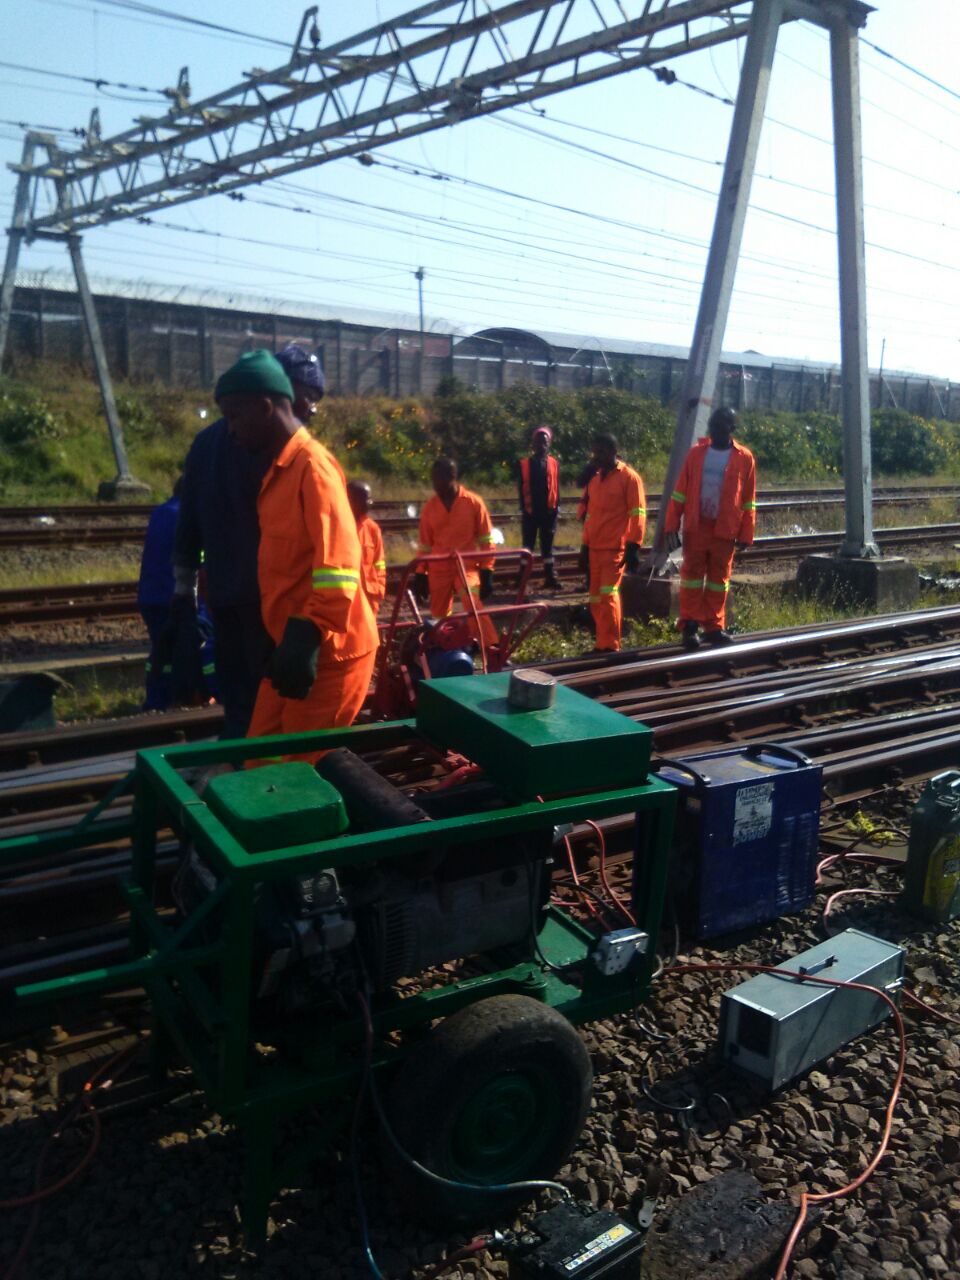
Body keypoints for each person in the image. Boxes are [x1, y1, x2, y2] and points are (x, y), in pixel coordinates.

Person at [212, 349, 377, 760]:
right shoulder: (278, 472)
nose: (231, 430)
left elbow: (339, 565)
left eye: (234, 416)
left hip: (329, 655)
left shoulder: (312, 468)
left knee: (296, 784)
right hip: (291, 648)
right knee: (259, 765)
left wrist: (307, 634)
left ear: (265, 407)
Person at [172, 343, 326, 739]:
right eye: (305, 398)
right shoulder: (273, 446)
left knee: (240, 700)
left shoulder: (204, 444)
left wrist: (182, 599)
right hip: (268, 606)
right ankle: (254, 781)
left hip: (224, 598)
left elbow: (186, 526)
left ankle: (240, 764)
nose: (308, 410)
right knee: (273, 703)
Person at [662, 406, 757, 650]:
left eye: (720, 425)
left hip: (725, 529)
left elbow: (748, 499)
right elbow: (680, 492)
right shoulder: (696, 454)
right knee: (692, 578)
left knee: (718, 580)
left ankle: (714, 628)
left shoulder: (744, 458)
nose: (714, 429)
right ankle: (690, 628)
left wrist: (747, 532)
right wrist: (672, 525)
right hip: (697, 526)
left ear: (731, 429)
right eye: (713, 425)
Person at [137, 480, 215, 710]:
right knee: (193, 651)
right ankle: (187, 698)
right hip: (178, 596)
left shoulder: (161, 512)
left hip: (150, 596)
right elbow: (201, 561)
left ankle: (161, 700)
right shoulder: (187, 516)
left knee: (163, 651)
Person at [415, 458, 498, 646]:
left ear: (452, 477)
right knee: (438, 617)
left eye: (439, 479)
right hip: (438, 569)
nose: (435, 484)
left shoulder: (473, 503)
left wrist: (487, 571)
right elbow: (425, 545)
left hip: (466, 567)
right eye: (433, 479)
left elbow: (487, 540)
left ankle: (491, 646)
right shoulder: (430, 508)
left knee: (472, 604)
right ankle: (444, 650)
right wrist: (421, 572)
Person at [578, 434, 646, 653]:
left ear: (613, 451)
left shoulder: (629, 478)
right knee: (596, 599)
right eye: (595, 452)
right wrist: (585, 546)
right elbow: (590, 516)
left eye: (601, 452)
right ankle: (602, 642)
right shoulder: (595, 480)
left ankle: (610, 644)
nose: (597, 457)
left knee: (608, 596)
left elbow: (638, 514)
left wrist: (634, 545)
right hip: (595, 548)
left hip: (614, 549)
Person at [517, 425, 560, 589]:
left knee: (547, 547)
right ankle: (522, 579)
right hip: (530, 512)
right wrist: (524, 509)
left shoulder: (554, 463)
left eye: (544, 441)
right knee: (527, 547)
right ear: (532, 444)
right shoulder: (524, 464)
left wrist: (556, 508)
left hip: (549, 513)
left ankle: (550, 577)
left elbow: (556, 487)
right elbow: (521, 488)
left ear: (548, 444)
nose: (541, 445)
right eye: (538, 442)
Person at [347, 480, 387, 616]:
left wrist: (380, 587)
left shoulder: (372, 529)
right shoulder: (338, 527)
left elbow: (379, 563)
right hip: (348, 600)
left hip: (370, 599)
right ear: (352, 500)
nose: (371, 502)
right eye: (366, 498)